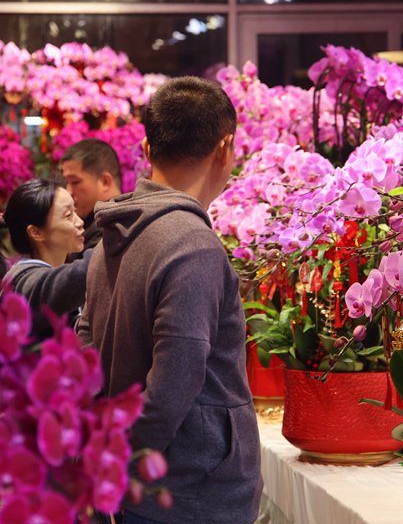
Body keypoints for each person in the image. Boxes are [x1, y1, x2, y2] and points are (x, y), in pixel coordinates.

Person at [80, 77, 263, 524]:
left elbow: (84, 348)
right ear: (225, 148)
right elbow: (171, 389)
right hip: (187, 495)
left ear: (147, 149)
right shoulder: (192, 244)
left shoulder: (114, 234)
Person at [0, 178, 91, 341]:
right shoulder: (25, 282)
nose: (79, 222)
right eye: (68, 215)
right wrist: (112, 246)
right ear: (36, 232)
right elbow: (74, 277)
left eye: (75, 211)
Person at [60, 138, 123, 254]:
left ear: (104, 182)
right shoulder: (93, 221)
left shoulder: (113, 228)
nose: (68, 191)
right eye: (66, 182)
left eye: (75, 182)